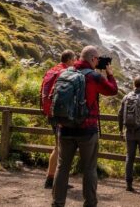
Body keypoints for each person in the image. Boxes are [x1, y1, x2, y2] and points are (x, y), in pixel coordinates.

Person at [52, 46, 118, 207]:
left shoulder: (65, 73)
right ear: (94, 59)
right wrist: (109, 73)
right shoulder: (94, 76)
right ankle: (90, 203)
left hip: (65, 127)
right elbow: (112, 90)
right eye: (97, 60)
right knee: (89, 168)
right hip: (87, 130)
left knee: (62, 167)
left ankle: (57, 203)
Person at [42, 50, 76, 189]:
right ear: (68, 59)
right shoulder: (65, 73)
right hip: (61, 115)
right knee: (62, 148)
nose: (75, 61)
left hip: (51, 113)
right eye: (74, 59)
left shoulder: (52, 70)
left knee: (58, 147)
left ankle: (50, 178)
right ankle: (57, 181)